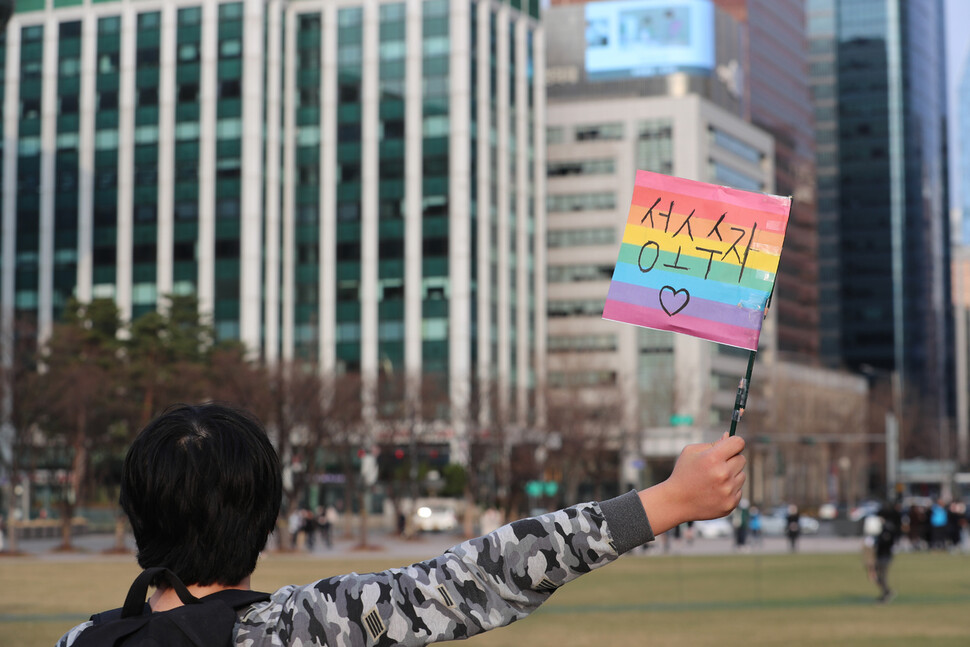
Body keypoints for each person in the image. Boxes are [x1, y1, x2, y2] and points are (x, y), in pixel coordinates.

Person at [56, 402, 747, 647]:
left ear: (136, 511)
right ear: (266, 515)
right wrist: (670, 500)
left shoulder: (83, 639)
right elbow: (478, 575)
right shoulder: (299, 628)